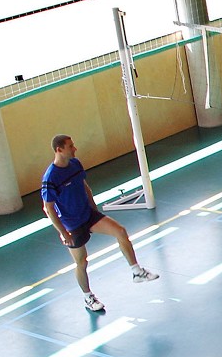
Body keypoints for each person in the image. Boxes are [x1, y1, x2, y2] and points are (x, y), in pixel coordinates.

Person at [40, 134, 159, 312]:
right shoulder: (51, 178)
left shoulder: (75, 164)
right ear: (59, 150)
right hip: (72, 225)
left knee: (120, 231)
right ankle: (88, 298)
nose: (75, 149)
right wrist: (64, 233)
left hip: (88, 215)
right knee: (82, 262)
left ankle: (136, 271)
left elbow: (84, 186)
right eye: (70, 146)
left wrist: (94, 208)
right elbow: (48, 209)